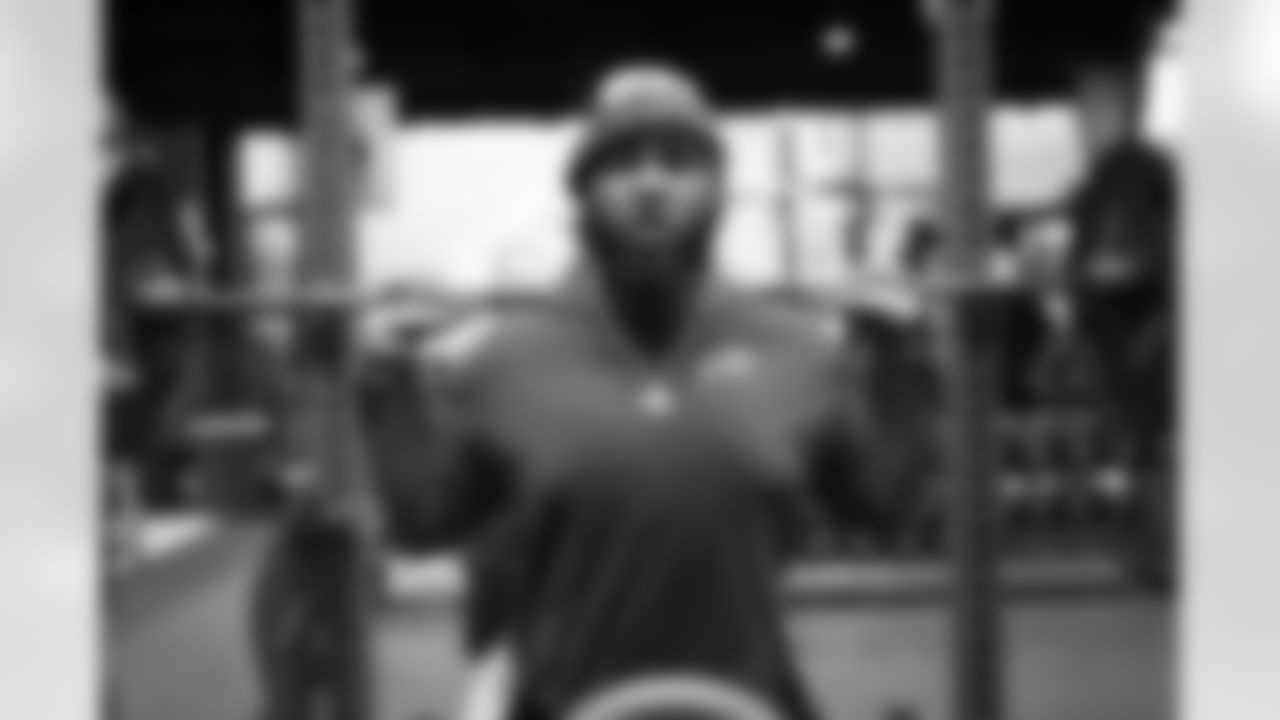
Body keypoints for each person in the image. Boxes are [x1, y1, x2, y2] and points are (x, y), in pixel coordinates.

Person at [368, 63, 920, 720]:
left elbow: (884, 506)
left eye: (679, 162)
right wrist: (387, 379)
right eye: (622, 163)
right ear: (584, 194)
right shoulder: (507, 356)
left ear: (717, 191)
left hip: (746, 704)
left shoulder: (797, 348)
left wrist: (905, 362)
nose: (651, 184)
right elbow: (422, 522)